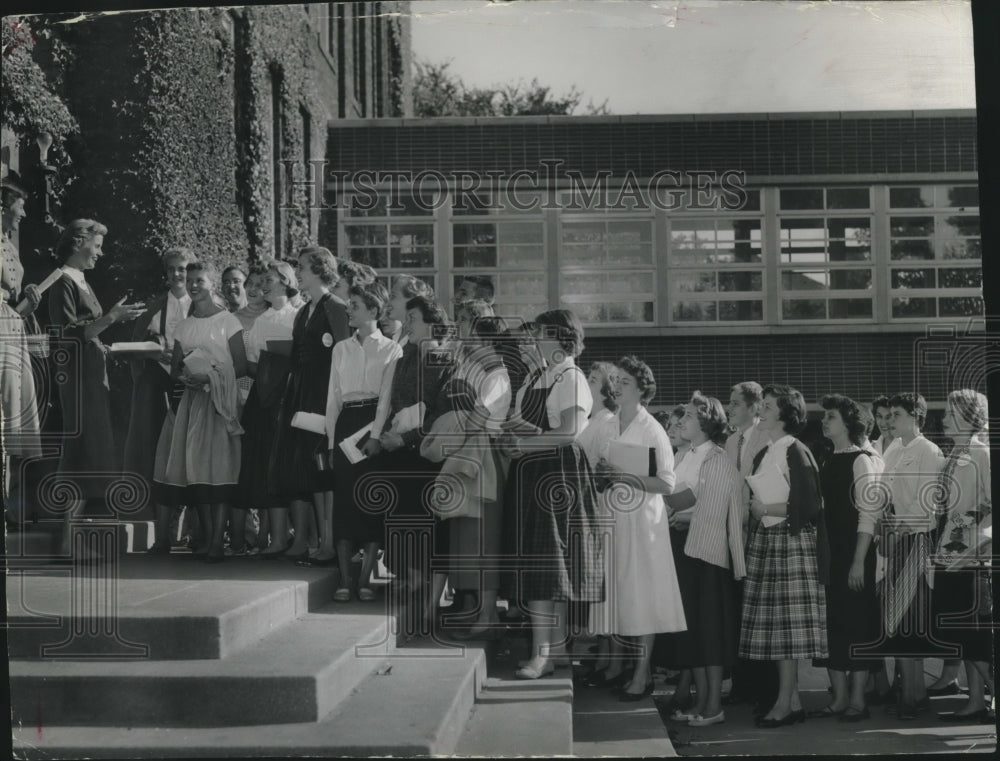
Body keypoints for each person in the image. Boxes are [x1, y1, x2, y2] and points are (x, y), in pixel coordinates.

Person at [497, 309, 604, 681]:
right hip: (536, 470)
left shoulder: (571, 376)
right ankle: (554, 649)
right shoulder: (541, 375)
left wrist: (523, 446)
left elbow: (569, 432)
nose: (535, 339)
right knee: (543, 565)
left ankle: (542, 655)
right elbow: (541, 424)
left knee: (547, 565)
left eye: (542, 333)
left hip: (556, 473)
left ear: (560, 337)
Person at [588, 356, 686, 701]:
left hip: (643, 525)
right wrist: (603, 473)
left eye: (626, 382)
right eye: (617, 380)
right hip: (613, 518)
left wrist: (623, 475)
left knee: (642, 597)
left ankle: (642, 675)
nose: (617, 386)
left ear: (643, 389)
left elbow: (667, 483)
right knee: (617, 593)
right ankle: (616, 665)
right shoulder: (610, 423)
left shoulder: (651, 429)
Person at [48, 220, 146, 554]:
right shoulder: (62, 281)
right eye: (97, 245)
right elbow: (67, 335)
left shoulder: (80, 280)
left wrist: (107, 333)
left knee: (89, 451)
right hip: (77, 378)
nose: (100, 253)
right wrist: (112, 319)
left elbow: (86, 332)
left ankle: (70, 538)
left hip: (90, 374)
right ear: (78, 243)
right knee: (80, 451)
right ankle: (66, 540)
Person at [739, 384, 828, 728]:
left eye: (769, 405)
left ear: (786, 415)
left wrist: (765, 507)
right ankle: (790, 699)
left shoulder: (795, 449)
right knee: (778, 628)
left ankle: (785, 702)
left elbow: (810, 505)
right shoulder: (769, 450)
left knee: (786, 630)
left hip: (790, 543)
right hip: (771, 540)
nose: (761, 409)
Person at [152, 261, 247, 563]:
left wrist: (212, 377)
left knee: (219, 470)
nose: (193, 285)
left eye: (200, 280)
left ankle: (219, 540)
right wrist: (187, 377)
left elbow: (241, 367)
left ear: (212, 283)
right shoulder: (184, 325)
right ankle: (205, 538)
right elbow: (176, 368)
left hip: (219, 402)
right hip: (191, 403)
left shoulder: (228, 321)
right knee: (195, 473)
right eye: (190, 281)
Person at [667, 392, 746, 726]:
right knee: (694, 634)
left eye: (688, 416)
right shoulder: (689, 455)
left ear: (705, 423)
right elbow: (677, 498)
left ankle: (713, 705)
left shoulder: (715, 457)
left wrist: (677, 515)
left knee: (709, 633)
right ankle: (701, 701)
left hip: (706, 555)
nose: (682, 421)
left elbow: (709, 512)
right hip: (685, 550)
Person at [269, 247, 351, 563]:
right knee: (308, 470)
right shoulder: (304, 311)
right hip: (301, 395)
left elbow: (344, 356)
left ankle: (330, 542)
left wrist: (336, 403)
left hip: (325, 395)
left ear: (318, 269)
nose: (298, 272)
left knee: (323, 469)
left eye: (302, 267)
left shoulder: (336, 307)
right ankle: (314, 542)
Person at [327, 281, 402, 601]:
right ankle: (345, 580)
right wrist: (331, 444)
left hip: (373, 424)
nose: (349, 310)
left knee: (371, 504)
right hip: (346, 425)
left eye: (355, 305)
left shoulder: (391, 349)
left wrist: (374, 436)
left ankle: (366, 580)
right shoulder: (340, 348)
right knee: (344, 503)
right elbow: (332, 398)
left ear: (374, 310)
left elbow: (386, 398)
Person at [811, 394, 883, 722]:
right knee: (834, 628)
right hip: (831, 557)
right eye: (824, 417)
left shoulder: (862, 460)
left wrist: (858, 562)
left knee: (857, 626)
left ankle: (858, 701)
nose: (825, 421)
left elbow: (869, 516)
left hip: (855, 557)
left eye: (831, 417)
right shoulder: (829, 458)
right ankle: (839, 698)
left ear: (848, 423)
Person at [873, 392, 944, 719]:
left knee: (909, 619)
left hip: (915, 541)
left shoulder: (928, 451)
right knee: (896, 621)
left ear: (915, 415)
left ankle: (915, 697)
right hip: (892, 542)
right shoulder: (893, 449)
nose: (891, 419)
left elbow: (930, 506)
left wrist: (899, 527)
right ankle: (909, 693)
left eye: (898, 414)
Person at [933, 389, 993, 723]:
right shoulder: (955, 453)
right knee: (966, 637)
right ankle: (974, 700)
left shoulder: (982, 453)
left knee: (977, 636)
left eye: (950, 413)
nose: (943, 419)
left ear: (970, 416)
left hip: (972, 558)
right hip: (950, 553)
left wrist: (974, 540)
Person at [123, 247, 194, 522]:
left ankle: (189, 518)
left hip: (190, 380)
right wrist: (154, 352)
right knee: (156, 443)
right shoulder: (155, 307)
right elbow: (137, 342)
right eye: (172, 269)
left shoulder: (199, 304)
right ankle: (157, 511)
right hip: (158, 384)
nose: (177, 274)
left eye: (182, 269)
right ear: (166, 274)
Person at [235, 261, 299, 557]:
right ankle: (274, 537)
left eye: (270, 279)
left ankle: (290, 535)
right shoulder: (261, 320)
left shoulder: (298, 315)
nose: (264, 285)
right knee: (263, 465)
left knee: (285, 466)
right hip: (264, 398)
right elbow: (252, 362)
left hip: (290, 396)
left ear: (285, 281)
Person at [723, 381, 773, 713]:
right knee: (738, 608)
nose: (730, 408)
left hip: (757, 530)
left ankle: (762, 686)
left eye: (736, 403)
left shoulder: (765, 437)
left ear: (755, 407)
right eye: (729, 402)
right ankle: (741, 681)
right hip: (734, 533)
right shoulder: (729, 441)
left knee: (759, 609)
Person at [576, 361, 621, 675]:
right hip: (587, 505)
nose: (587, 385)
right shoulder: (589, 421)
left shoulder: (606, 421)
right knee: (598, 586)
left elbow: (605, 467)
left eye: (593, 381)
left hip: (601, 507)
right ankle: (603, 653)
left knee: (607, 583)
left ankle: (611, 658)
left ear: (607, 391)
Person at [1, 249, 42, 527]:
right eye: (21, 202)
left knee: (13, 419)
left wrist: (28, 302)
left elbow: (13, 306)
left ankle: (8, 505)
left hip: (10, 327)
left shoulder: (11, 246)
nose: (24, 213)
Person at [382, 274, 433, 344]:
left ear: (411, 300)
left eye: (393, 296)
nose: (388, 302)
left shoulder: (420, 337)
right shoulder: (396, 336)